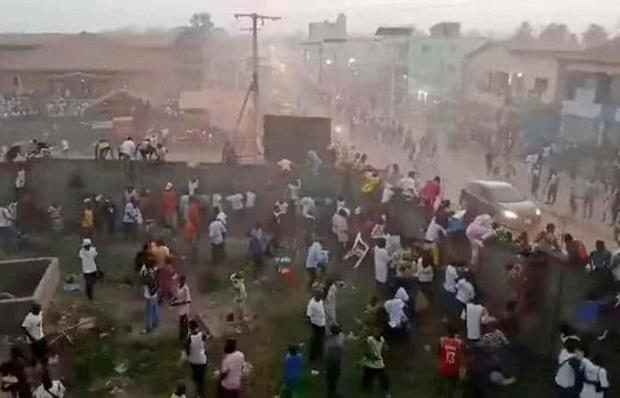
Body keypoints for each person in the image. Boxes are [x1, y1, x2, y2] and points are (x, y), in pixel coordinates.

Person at [360, 331, 390, 396]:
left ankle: (366, 391)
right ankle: (385, 391)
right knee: (381, 378)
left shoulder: (378, 339)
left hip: (372, 364)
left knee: (368, 378)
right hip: (374, 364)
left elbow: (386, 348)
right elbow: (386, 349)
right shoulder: (373, 339)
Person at [437, 324, 464, 397]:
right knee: (453, 383)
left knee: (444, 381)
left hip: (443, 368)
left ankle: (442, 391)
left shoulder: (442, 341)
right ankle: (453, 391)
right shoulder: (459, 342)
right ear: (456, 334)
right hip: (455, 369)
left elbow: (438, 353)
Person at [186, 320, 208, 398]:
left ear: (190, 328)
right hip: (202, 360)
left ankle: (197, 394)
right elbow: (206, 338)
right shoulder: (202, 335)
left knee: (196, 378)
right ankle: (202, 394)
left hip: (194, 361)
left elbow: (188, 352)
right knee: (201, 380)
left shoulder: (189, 338)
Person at [306, 291, 326, 372]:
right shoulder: (311, 304)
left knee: (320, 339)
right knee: (316, 339)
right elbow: (308, 315)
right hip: (316, 324)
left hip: (322, 323)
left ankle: (320, 352)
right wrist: (310, 322)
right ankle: (313, 355)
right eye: (319, 297)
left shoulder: (320, 301)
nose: (320, 299)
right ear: (316, 296)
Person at [325, 324, 345, 398]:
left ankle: (330, 391)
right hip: (335, 361)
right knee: (335, 377)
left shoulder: (329, 339)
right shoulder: (340, 339)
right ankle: (332, 393)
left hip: (331, 361)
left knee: (330, 377)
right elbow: (340, 352)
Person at [141, 262, 160, 333]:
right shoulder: (154, 272)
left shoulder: (147, 274)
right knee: (155, 308)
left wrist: (143, 275)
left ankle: (149, 327)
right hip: (155, 293)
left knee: (149, 311)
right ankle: (156, 322)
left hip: (149, 295)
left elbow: (144, 281)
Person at [171, 275, 191, 340]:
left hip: (184, 307)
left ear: (184, 281)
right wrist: (173, 300)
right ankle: (182, 335)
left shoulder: (186, 289)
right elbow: (177, 296)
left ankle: (185, 335)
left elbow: (187, 301)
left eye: (182, 280)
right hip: (180, 307)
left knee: (184, 322)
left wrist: (176, 304)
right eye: (180, 280)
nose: (181, 281)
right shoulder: (178, 287)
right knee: (181, 322)